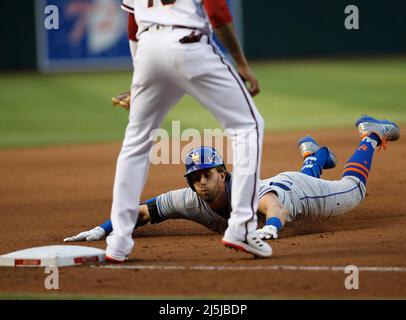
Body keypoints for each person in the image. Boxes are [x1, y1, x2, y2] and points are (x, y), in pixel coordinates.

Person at [65, 115, 400, 246]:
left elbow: (274, 206)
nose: (201, 183)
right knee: (303, 173)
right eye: (194, 178)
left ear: (222, 174)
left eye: (207, 175)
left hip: (297, 194)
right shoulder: (189, 199)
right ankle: (314, 157)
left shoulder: (246, 189)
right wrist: (104, 228)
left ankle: (370, 134)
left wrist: (273, 227)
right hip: (283, 181)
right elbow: (141, 212)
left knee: (354, 191)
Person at [105, 0, 270, 262]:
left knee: (136, 143)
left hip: (147, 49)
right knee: (248, 126)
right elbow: (217, 11)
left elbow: (132, 23)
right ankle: (241, 227)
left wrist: (140, 80)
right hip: (188, 43)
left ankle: (119, 243)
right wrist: (241, 62)